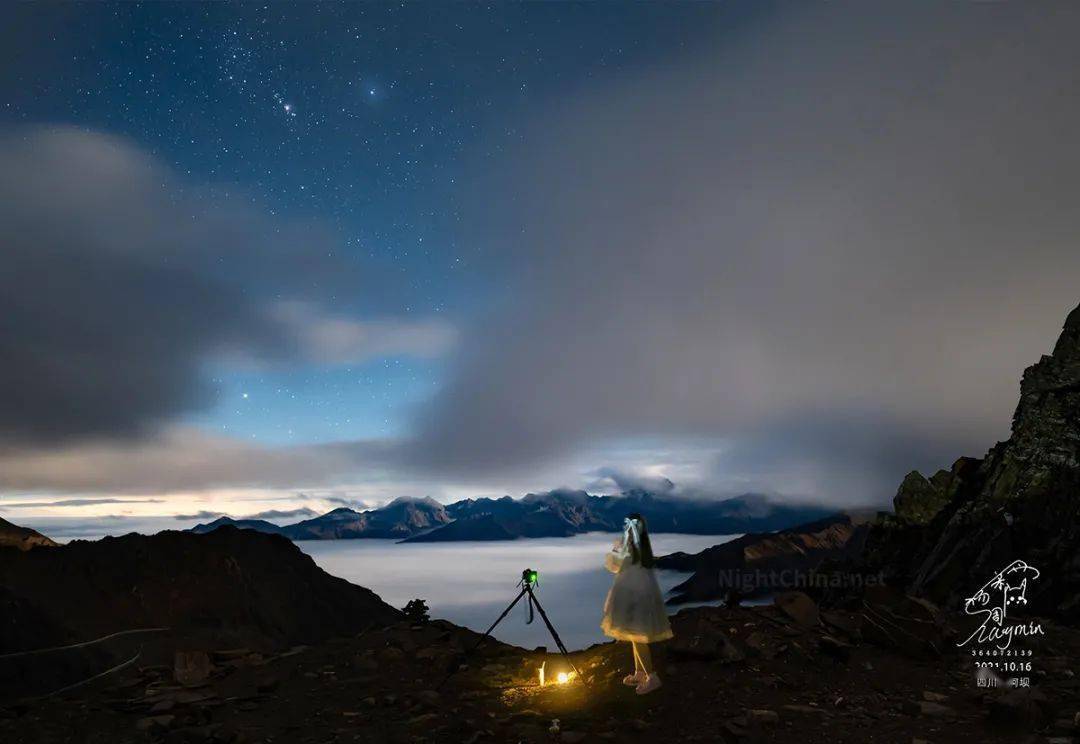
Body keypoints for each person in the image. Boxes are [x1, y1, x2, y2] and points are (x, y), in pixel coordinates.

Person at [600, 513, 673, 695]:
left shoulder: (632, 547)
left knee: (637, 635)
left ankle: (651, 676)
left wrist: (615, 549)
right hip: (640, 593)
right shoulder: (643, 547)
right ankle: (640, 673)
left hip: (632, 595)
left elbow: (615, 566)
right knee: (634, 635)